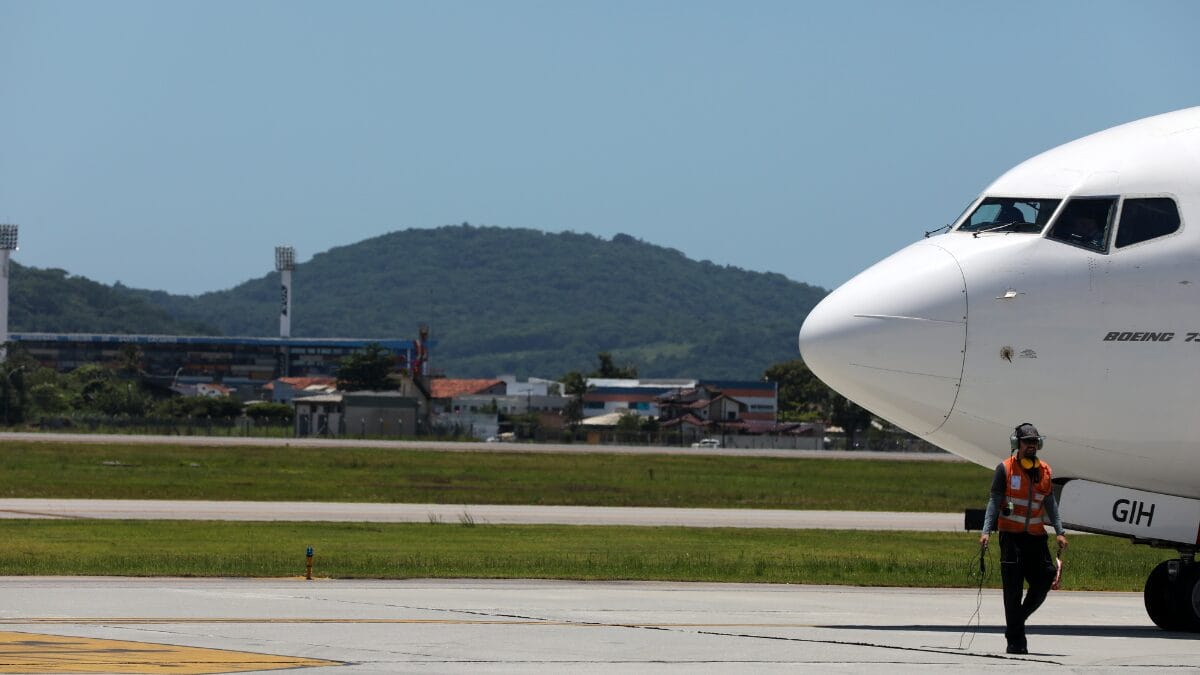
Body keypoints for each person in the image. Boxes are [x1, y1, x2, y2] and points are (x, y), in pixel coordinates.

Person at [978, 422, 1069, 655]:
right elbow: (993, 502)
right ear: (1016, 443)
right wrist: (986, 531)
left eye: (1034, 442)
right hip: (1011, 537)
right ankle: (1016, 641)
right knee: (1013, 589)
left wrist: (1059, 531)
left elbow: (1050, 503)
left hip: (1036, 537)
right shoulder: (1005, 469)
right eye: (1027, 442)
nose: (1031, 446)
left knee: (1046, 576)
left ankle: (1016, 621)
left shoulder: (1045, 471)